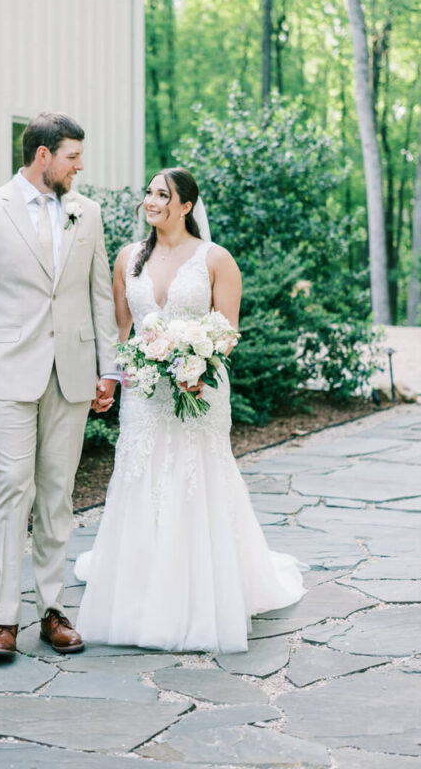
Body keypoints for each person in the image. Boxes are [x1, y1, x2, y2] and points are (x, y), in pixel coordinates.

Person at [74, 167, 305, 653]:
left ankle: (198, 590)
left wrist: (197, 364)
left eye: (164, 194)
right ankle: (139, 595)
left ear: (185, 206)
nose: (152, 200)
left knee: (193, 476)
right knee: (142, 477)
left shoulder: (216, 259)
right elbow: (122, 331)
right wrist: (111, 381)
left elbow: (227, 332)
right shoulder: (127, 258)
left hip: (198, 390)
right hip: (143, 394)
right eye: (150, 192)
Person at [0, 112, 119, 659]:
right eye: (73, 157)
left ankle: (53, 610)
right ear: (42, 156)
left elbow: (98, 297)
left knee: (57, 497)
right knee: (11, 488)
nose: (80, 166)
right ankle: (3, 620)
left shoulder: (86, 213)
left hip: (71, 374)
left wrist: (109, 369)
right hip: (7, 376)